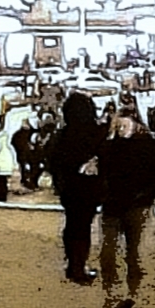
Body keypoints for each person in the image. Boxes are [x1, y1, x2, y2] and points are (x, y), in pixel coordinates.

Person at [94, 111, 155, 308]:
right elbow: (102, 170)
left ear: (136, 126)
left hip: (136, 206)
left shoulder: (147, 146)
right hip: (113, 206)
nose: (121, 129)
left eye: (124, 126)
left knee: (133, 253)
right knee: (108, 251)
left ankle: (133, 294)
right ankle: (111, 295)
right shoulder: (109, 147)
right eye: (118, 126)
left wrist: (144, 197)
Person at [46, 91, 107, 283]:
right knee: (82, 228)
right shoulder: (95, 133)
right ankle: (78, 267)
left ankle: (73, 263)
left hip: (68, 189)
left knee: (72, 226)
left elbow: (52, 160)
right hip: (88, 189)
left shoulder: (62, 135)